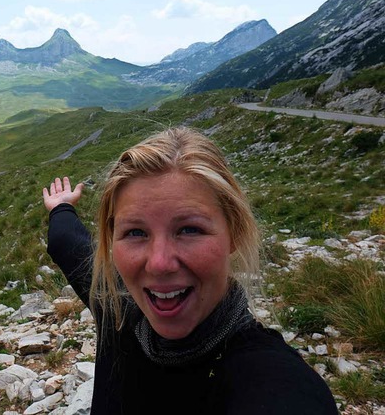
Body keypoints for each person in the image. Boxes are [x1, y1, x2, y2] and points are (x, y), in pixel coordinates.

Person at [42, 127, 337, 414]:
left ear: (233, 232)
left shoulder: (274, 380)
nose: (159, 264)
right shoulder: (116, 305)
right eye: (135, 232)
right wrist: (61, 207)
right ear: (112, 239)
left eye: (189, 229)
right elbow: (66, 241)